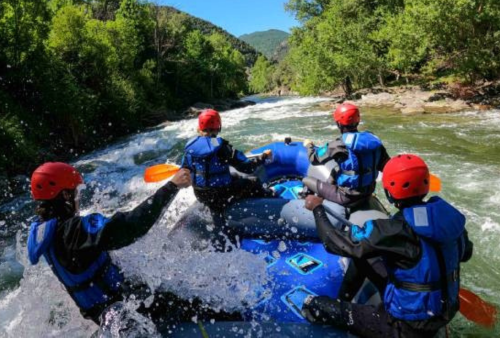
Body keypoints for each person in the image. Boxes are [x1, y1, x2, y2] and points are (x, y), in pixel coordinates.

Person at [27, 162, 239, 328]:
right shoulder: (75, 231)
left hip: (108, 316)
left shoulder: (48, 232)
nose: (77, 199)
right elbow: (132, 227)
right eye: (75, 193)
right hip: (131, 314)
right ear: (64, 195)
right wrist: (172, 186)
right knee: (205, 307)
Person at [302, 154, 473, 338]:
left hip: (405, 328)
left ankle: (340, 304)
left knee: (315, 305)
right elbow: (466, 253)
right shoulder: (450, 223)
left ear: (389, 193)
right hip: (443, 312)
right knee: (364, 259)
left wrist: (318, 209)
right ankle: (343, 298)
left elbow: (335, 244)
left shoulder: (393, 230)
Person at [182, 109, 273, 222]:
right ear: (218, 126)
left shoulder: (190, 146)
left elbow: (185, 170)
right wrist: (263, 157)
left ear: (200, 127)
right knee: (253, 181)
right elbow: (247, 168)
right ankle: (270, 198)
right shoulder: (221, 147)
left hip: (200, 195)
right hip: (220, 195)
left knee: (235, 175)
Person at [302, 102, 390, 207]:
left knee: (306, 180)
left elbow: (313, 159)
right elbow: (386, 166)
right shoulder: (373, 140)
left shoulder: (338, 145)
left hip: (346, 197)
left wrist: (309, 145)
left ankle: (312, 203)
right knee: (336, 170)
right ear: (358, 120)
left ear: (339, 124)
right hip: (368, 192)